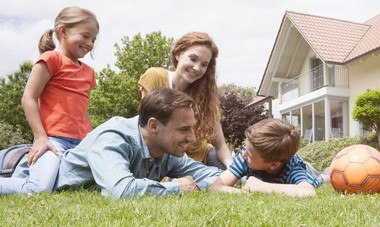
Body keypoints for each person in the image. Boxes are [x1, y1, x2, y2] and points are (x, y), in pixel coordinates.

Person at [53, 87, 221, 199]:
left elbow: (207, 175)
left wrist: (243, 178)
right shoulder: (113, 137)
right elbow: (119, 190)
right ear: (154, 126)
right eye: (184, 129)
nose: (192, 138)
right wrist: (176, 188)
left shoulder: (167, 149)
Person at [0, 6, 99, 195]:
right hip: (54, 142)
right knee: (39, 188)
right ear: (63, 31)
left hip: (81, 144)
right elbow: (28, 98)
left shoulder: (89, 72)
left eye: (93, 39)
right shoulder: (51, 59)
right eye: (86, 36)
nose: (90, 43)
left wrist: (91, 139)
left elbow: (84, 110)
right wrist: (41, 137)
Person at [138, 32, 233, 170]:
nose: (197, 68)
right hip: (167, 159)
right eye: (193, 59)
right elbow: (146, 131)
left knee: (237, 178)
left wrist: (233, 170)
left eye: (204, 64)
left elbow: (221, 146)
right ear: (178, 54)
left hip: (204, 157)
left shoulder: (206, 97)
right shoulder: (155, 77)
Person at [210, 118, 325, 197]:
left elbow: (309, 192)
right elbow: (215, 187)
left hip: (308, 171)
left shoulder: (292, 167)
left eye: (250, 155)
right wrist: (246, 193)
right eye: (246, 148)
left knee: (321, 179)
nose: (243, 155)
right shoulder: (247, 155)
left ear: (273, 165)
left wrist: (262, 187)